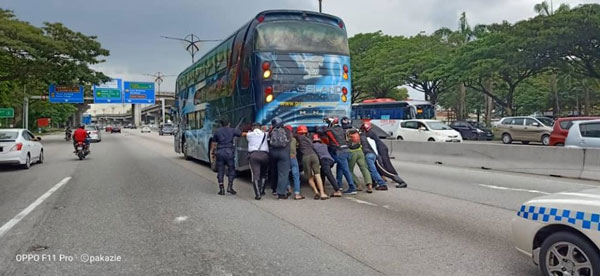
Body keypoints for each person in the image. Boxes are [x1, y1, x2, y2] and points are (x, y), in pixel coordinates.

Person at [361, 121, 408, 188]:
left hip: (380, 150)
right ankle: (375, 181)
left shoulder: (369, 134)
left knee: (385, 166)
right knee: (374, 168)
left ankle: (398, 180)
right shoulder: (369, 133)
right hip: (377, 150)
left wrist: (378, 156)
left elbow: (373, 146)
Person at [324, 117, 357, 195]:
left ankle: (352, 187)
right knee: (341, 168)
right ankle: (339, 185)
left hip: (339, 152)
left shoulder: (330, 130)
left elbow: (325, 131)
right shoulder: (342, 129)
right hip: (346, 151)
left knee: (345, 170)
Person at [295, 125, 327, 200]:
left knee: (309, 177)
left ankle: (316, 192)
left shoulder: (299, 137)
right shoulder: (310, 137)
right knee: (317, 175)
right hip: (314, 155)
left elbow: (292, 134)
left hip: (305, 157)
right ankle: (322, 193)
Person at [342, 117, 373, 193]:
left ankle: (358, 185)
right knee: (364, 168)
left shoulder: (344, 132)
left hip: (351, 152)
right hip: (360, 151)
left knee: (349, 170)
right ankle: (369, 185)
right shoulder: (356, 130)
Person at [212, 119, 242, 195]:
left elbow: (214, 142)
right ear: (228, 123)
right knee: (231, 169)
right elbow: (240, 133)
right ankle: (230, 186)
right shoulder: (232, 130)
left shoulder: (217, 131)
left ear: (221, 124)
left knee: (220, 170)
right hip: (229, 152)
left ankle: (221, 188)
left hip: (220, 152)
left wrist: (213, 152)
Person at [268, 117, 292, 199]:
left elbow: (268, 142)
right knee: (283, 173)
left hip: (273, 153)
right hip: (284, 153)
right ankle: (281, 193)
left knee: (273, 171)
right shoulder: (287, 131)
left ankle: (274, 189)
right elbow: (289, 140)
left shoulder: (271, 131)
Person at [359, 124, 388, 190]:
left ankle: (382, 184)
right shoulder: (369, 137)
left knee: (373, 170)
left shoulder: (360, 137)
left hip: (368, 155)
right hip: (373, 154)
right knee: (371, 170)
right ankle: (373, 182)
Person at [246, 123, 269, 200]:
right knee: (264, 173)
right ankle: (262, 190)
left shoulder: (249, 135)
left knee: (255, 174)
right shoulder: (265, 134)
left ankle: (257, 194)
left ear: (253, 128)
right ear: (260, 128)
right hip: (265, 155)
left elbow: (248, 136)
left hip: (254, 155)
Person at [285, 125, 303, 200]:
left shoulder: (284, 139)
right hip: (293, 158)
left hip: (285, 158)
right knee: (296, 175)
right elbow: (298, 146)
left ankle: (288, 188)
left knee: (285, 174)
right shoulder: (294, 139)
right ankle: (297, 194)